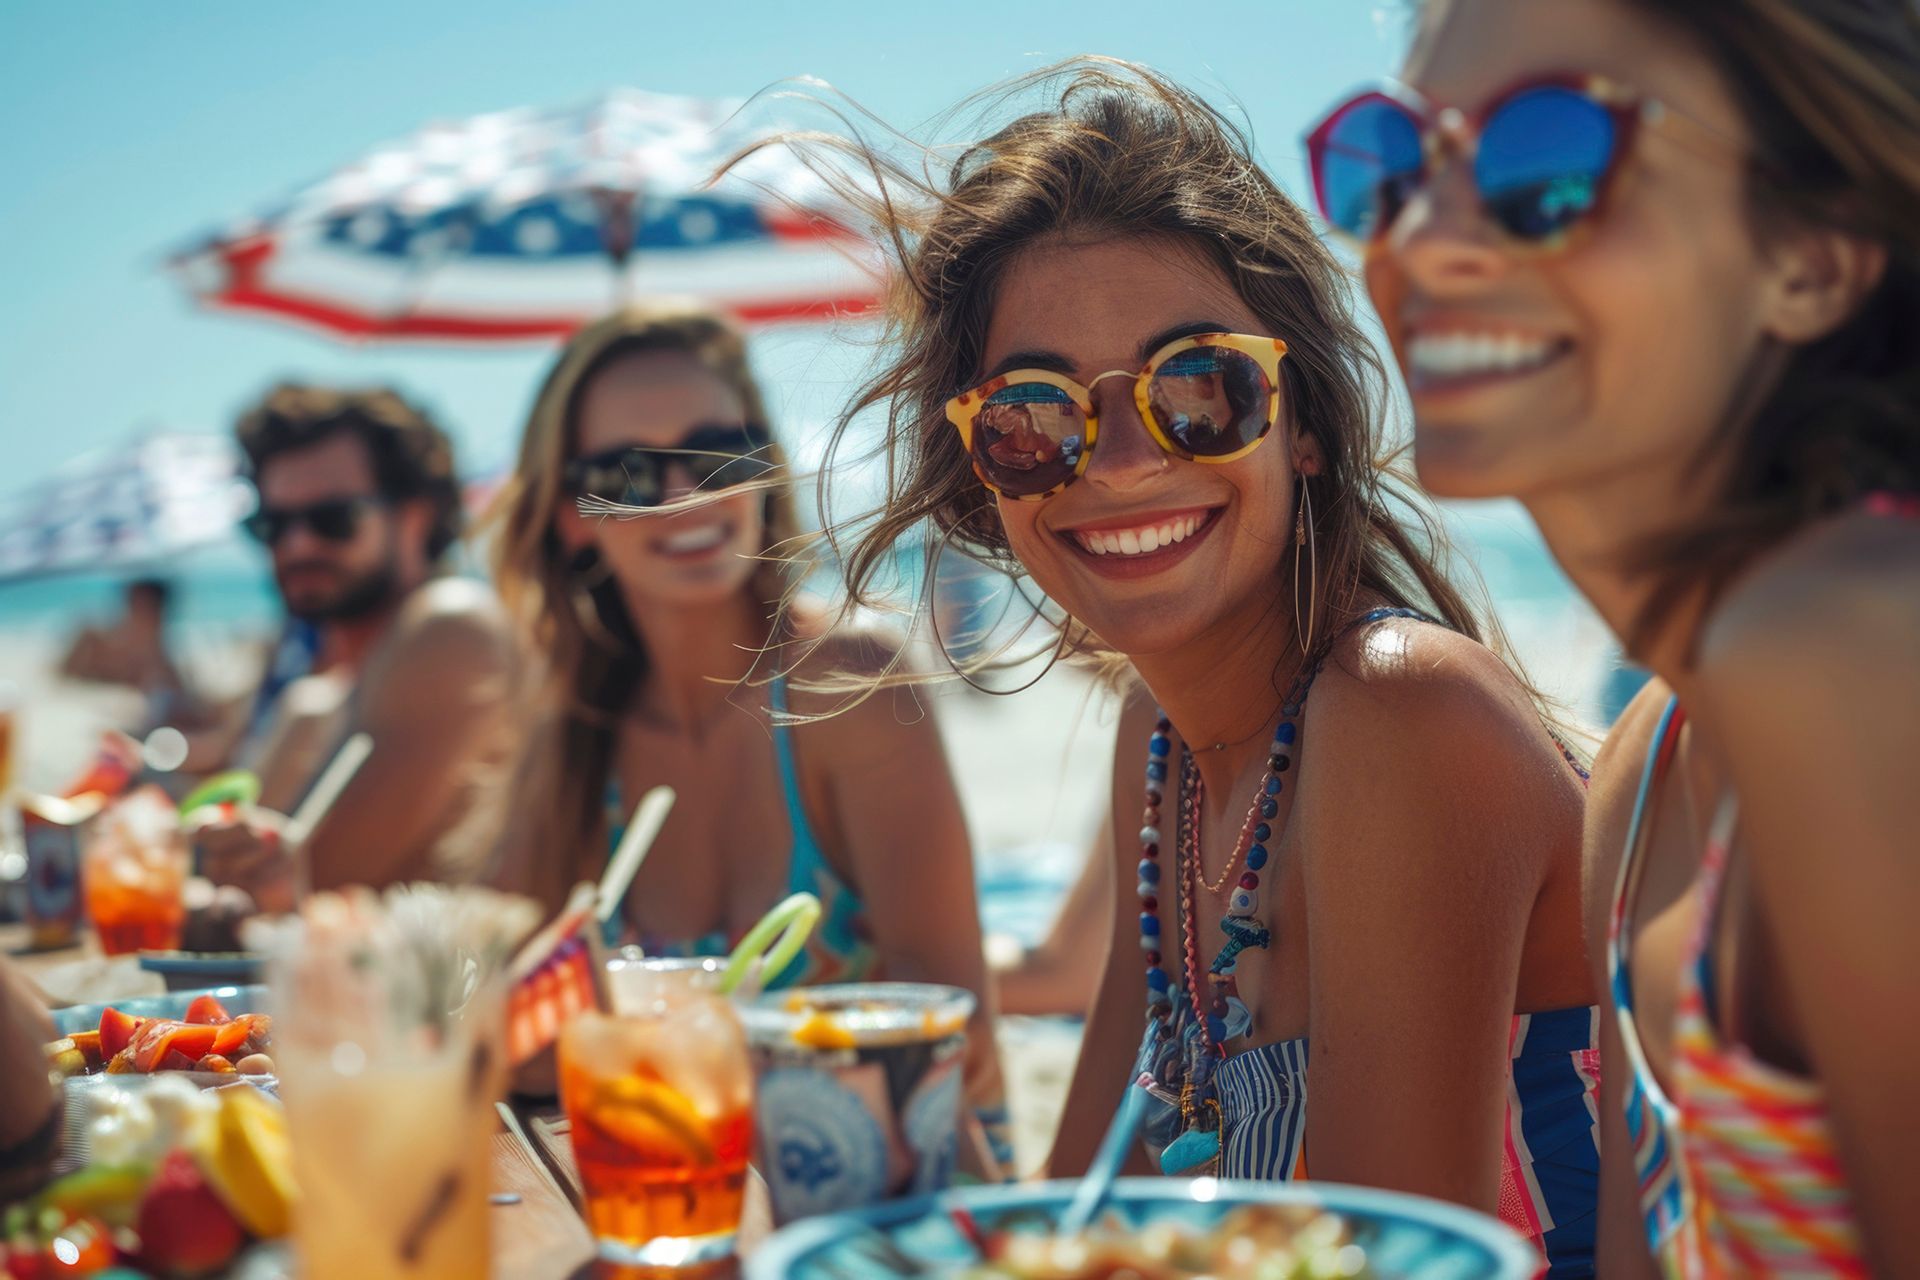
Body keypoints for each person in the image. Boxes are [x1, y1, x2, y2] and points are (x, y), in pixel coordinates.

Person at [768, 60, 1599, 1273]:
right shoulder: (1156, 744)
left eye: (1196, 389)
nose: (1113, 463)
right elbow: (1082, 1213)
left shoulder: (1401, 708)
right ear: (985, 480)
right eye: (1034, 414)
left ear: (1302, 420)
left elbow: (1390, 1261)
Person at [1331, 1, 1920, 1272]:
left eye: (1542, 160)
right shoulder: (1646, 769)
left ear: (1814, 253)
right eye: (1393, 162)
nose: (1424, 237)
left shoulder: (1857, 645)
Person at [485, 305, 1008, 1163]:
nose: (686, 496)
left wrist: (638, 1042)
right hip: (679, 1198)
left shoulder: (848, 680)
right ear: (572, 516)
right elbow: (494, 1016)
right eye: (628, 472)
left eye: (716, 452)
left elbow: (961, 1038)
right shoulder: (571, 734)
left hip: (901, 1209)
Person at [197, 383, 515, 911]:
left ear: (416, 517)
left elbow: (311, 888)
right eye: (273, 526)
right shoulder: (319, 699)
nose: (298, 545)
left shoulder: (452, 626)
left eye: (333, 519)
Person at [57, 577, 199, 730]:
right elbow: (63, 679)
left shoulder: (161, 663)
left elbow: (188, 707)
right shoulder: (92, 641)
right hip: (87, 723)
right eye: (137, 606)